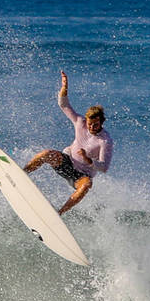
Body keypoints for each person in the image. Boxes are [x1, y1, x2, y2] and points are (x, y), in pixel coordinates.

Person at [24, 71, 113, 215]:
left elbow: (104, 167)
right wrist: (64, 87)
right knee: (46, 154)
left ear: (102, 122)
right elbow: (63, 104)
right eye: (90, 124)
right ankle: (23, 173)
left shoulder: (105, 140)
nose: (92, 127)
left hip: (81, 175)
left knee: (86, 186)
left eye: (96, 124)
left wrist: (89, 160)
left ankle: (59, 213)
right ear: (86, 120)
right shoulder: (80, 122)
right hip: (67, 162)